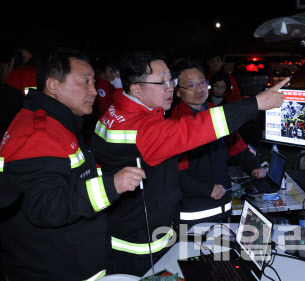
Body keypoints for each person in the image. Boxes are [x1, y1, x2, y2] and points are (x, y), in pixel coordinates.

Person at [91, 50, 288, 276]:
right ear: (136, 89)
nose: (168, 88)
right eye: (161, 82)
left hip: (133, 228)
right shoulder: (143, 127)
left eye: (170, 80)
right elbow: (193, 130)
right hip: (140, 245)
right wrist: (256, 103)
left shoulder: (117, 113)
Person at [0, 47, 146, 281]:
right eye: (85, 82)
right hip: (56, 267)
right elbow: (45, 206)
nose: (94, 91)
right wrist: (112, 185)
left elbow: (70, 179)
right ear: (53, 86)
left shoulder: (59, 123)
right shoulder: (38, 133)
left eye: (93, 82)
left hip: (73, 259)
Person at [169, 59, 267, 227]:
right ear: (177, 91)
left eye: (202, 83)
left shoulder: (214, 110)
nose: (199, 89)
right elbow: (174, 173)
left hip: (223, 205)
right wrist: (206, 190)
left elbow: (235, 143)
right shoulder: (176, 124)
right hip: (195, 213)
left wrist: (253, 166)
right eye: (191, 86)